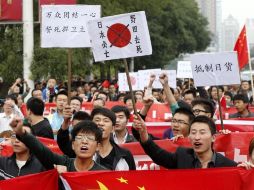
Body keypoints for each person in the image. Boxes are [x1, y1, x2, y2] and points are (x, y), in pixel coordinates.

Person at [133, 115, 237, 169]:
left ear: (213, 137)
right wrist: (143, 134)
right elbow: (157, 154)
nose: (197, 137)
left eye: (202, 133)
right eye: (193, 132)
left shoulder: (229, 166)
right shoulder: (182, 156)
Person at [10, 119, 106, 172]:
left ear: (98, 146)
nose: (84, 142)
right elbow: (41, 150)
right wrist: (22, 133)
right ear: (73, 145)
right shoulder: (63, 163)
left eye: (89, 138)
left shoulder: (103, 174)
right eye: (80, 137)